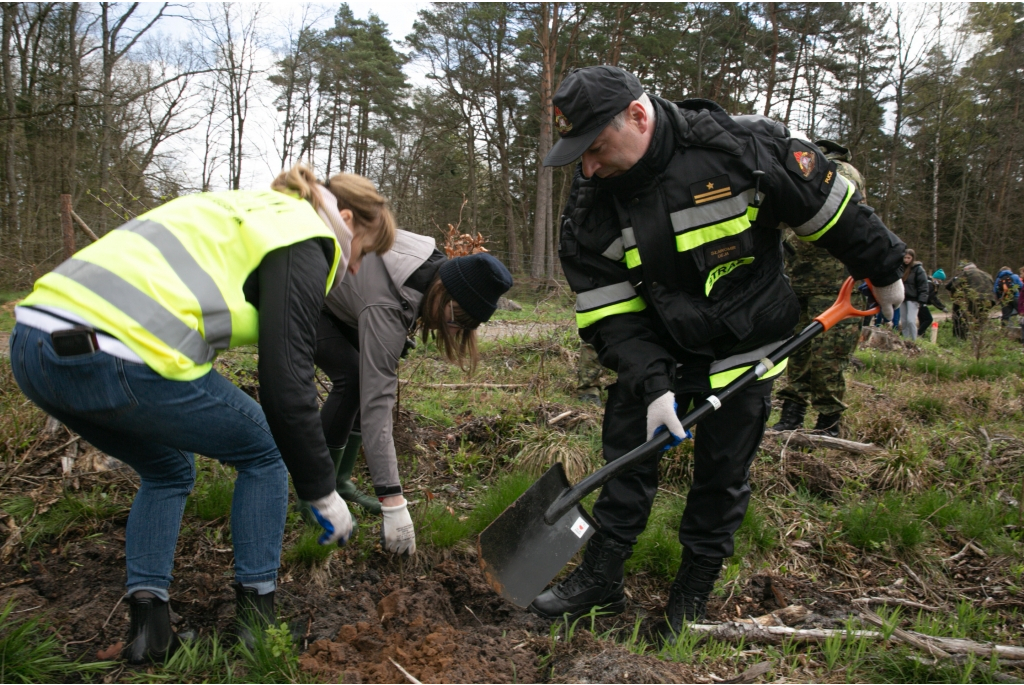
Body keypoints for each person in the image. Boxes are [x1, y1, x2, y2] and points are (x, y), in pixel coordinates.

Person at [534, 65, 905, 641]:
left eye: (596, 148)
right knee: (627, 458)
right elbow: (606, 309)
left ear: (637, 116)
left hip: (745, 341)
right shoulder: (592, 201)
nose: (587, 167)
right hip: (657, 350)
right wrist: (652, 382)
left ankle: (691, 594)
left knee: (721, 474)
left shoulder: (742, 148)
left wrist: (885, 270)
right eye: (578, 154)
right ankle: (601, 579)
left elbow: (830, 208)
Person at [8, 164, 394, 664]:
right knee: (267, 451)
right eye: (362, 252)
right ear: (344, 218)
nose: (357, 268)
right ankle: (258, 628)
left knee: (168, 469)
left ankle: (150, 633)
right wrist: (321, 489)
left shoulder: (246, 210)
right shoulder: (306, 232)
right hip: (118, 352)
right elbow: (287, 383)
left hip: (33, 349)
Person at [306, 225, 513, 554]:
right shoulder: (388, 307)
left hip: (345, 299)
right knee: (354, 378)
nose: (452, 329)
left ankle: (341, 483)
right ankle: (318, 493)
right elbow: (378, 408)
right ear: (446, 293)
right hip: (306, 294)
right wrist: (393, 502)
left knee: (362, 378)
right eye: (454, 320)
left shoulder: (432, 265)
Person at [773, 139, 867, 437]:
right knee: (796, 351)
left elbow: (838, 214)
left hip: (837, 285)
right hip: (798, 280)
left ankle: (828, 421)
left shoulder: (842, 173)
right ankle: (792, 413)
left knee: (829, 356)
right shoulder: (795, 169)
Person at [947, 261, 995, 339]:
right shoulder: (987, 274)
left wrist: (955, 299)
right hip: (989, 300)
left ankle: (962, 338)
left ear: (966, 269)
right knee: (981, 320)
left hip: (974, 299)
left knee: (964, 318)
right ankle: (978, 339)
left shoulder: (966, 273)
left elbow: (954, 286)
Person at [898, 248, 930, 341]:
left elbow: (923, 285)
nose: (906, 260)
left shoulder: (918, 269)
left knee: (911, 321)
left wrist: (922, 299)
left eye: (908, 258)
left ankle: (914, 340)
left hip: (913, 298)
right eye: (905, 258)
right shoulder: (900, 268)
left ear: (912, 258)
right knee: (903, 321)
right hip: (902, 298)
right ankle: (906, 340)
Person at [917, 269, 947, 338]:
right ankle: (918, 333)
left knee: (922, 320)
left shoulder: (930, 283)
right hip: (921, 304)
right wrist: (942, 307)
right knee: (928, 319)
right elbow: (932, 298)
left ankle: (921, 335)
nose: (940, 282)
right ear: (936, 278)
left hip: (920, 303)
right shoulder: (929, 285)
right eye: (940, 279)